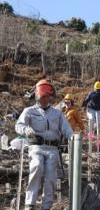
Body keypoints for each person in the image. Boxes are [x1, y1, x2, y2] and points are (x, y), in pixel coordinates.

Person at [15, 79, 73, 210]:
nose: (44, 99)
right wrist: (26, 129)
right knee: (36, 166)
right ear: (37, 96)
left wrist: (73, 137)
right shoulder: (29, 111)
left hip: (52, 149)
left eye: (47, 97)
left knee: (51, 176)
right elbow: (19, 125)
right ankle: (30, 204)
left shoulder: (57, 113)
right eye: (42, 97)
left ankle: (46, 206)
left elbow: (66, 128)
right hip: (36, 147)